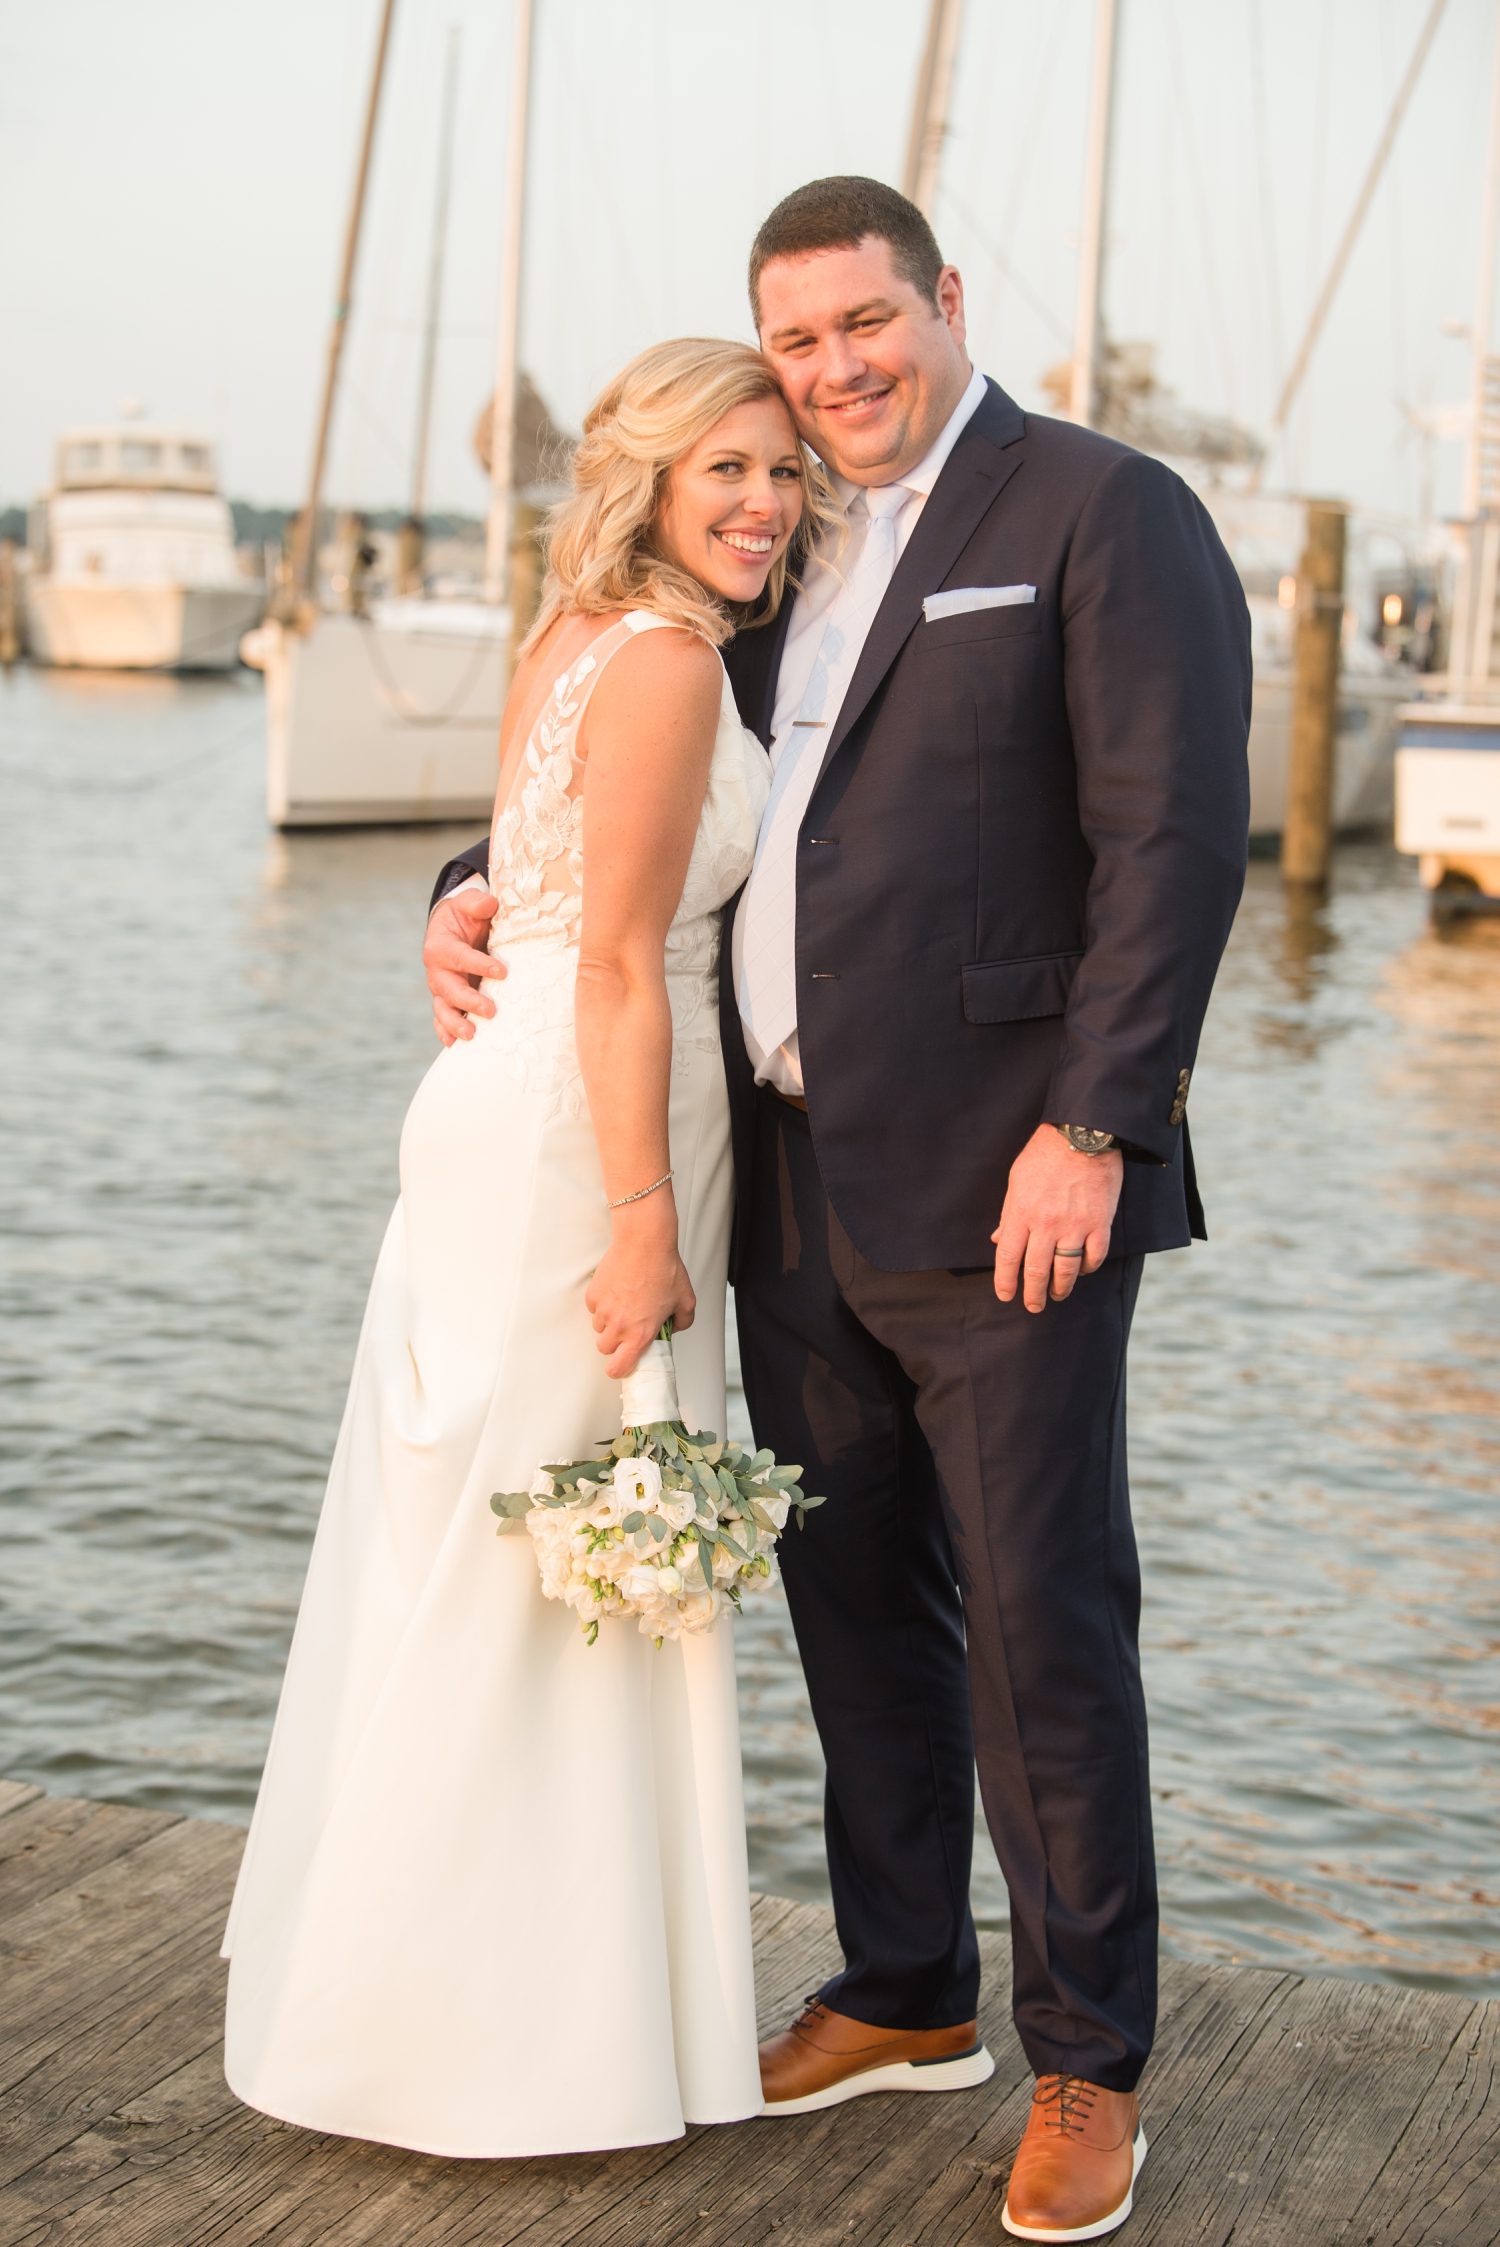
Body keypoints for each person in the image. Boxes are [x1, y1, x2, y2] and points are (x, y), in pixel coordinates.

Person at [425, 179, 1251, 2239]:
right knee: (851, 1599)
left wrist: (1103, 1124)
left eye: (869, 323)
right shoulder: (775, 532)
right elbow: (640, 744)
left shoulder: (1095, 508)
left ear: (946, 300)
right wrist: (471, 878)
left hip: (1008, 1186)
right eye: (798, 345)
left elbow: (1173, 840)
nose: (839, 371)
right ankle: (905, 1986)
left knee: (1043, 1628)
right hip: (779, 1175)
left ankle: (1087, 2065)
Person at [222, 338, 838, 2158]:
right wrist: (647, 1226)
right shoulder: (659, 667)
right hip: (589, 1131)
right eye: (724, 467)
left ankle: (467, 1999)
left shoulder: (574, 640)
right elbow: (621, 954)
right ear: (647, 477)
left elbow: (518, 879)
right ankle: (504, 2034)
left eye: (785, 474)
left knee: (497, 1548)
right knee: (567, 1548)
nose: (761, 503)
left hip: (515, 1106)